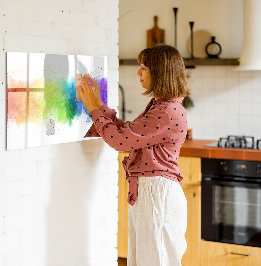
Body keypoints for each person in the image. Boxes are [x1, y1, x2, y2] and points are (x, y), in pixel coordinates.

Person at [77, 44, 189, 266]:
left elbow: (120, 141)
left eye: (144, 67)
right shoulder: (162, 106)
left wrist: (93, 109)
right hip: (152, 193)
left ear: (160, 72)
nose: (138, 72)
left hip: (157, 195)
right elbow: (128, 133)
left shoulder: (166, 111)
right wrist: (98, 104)